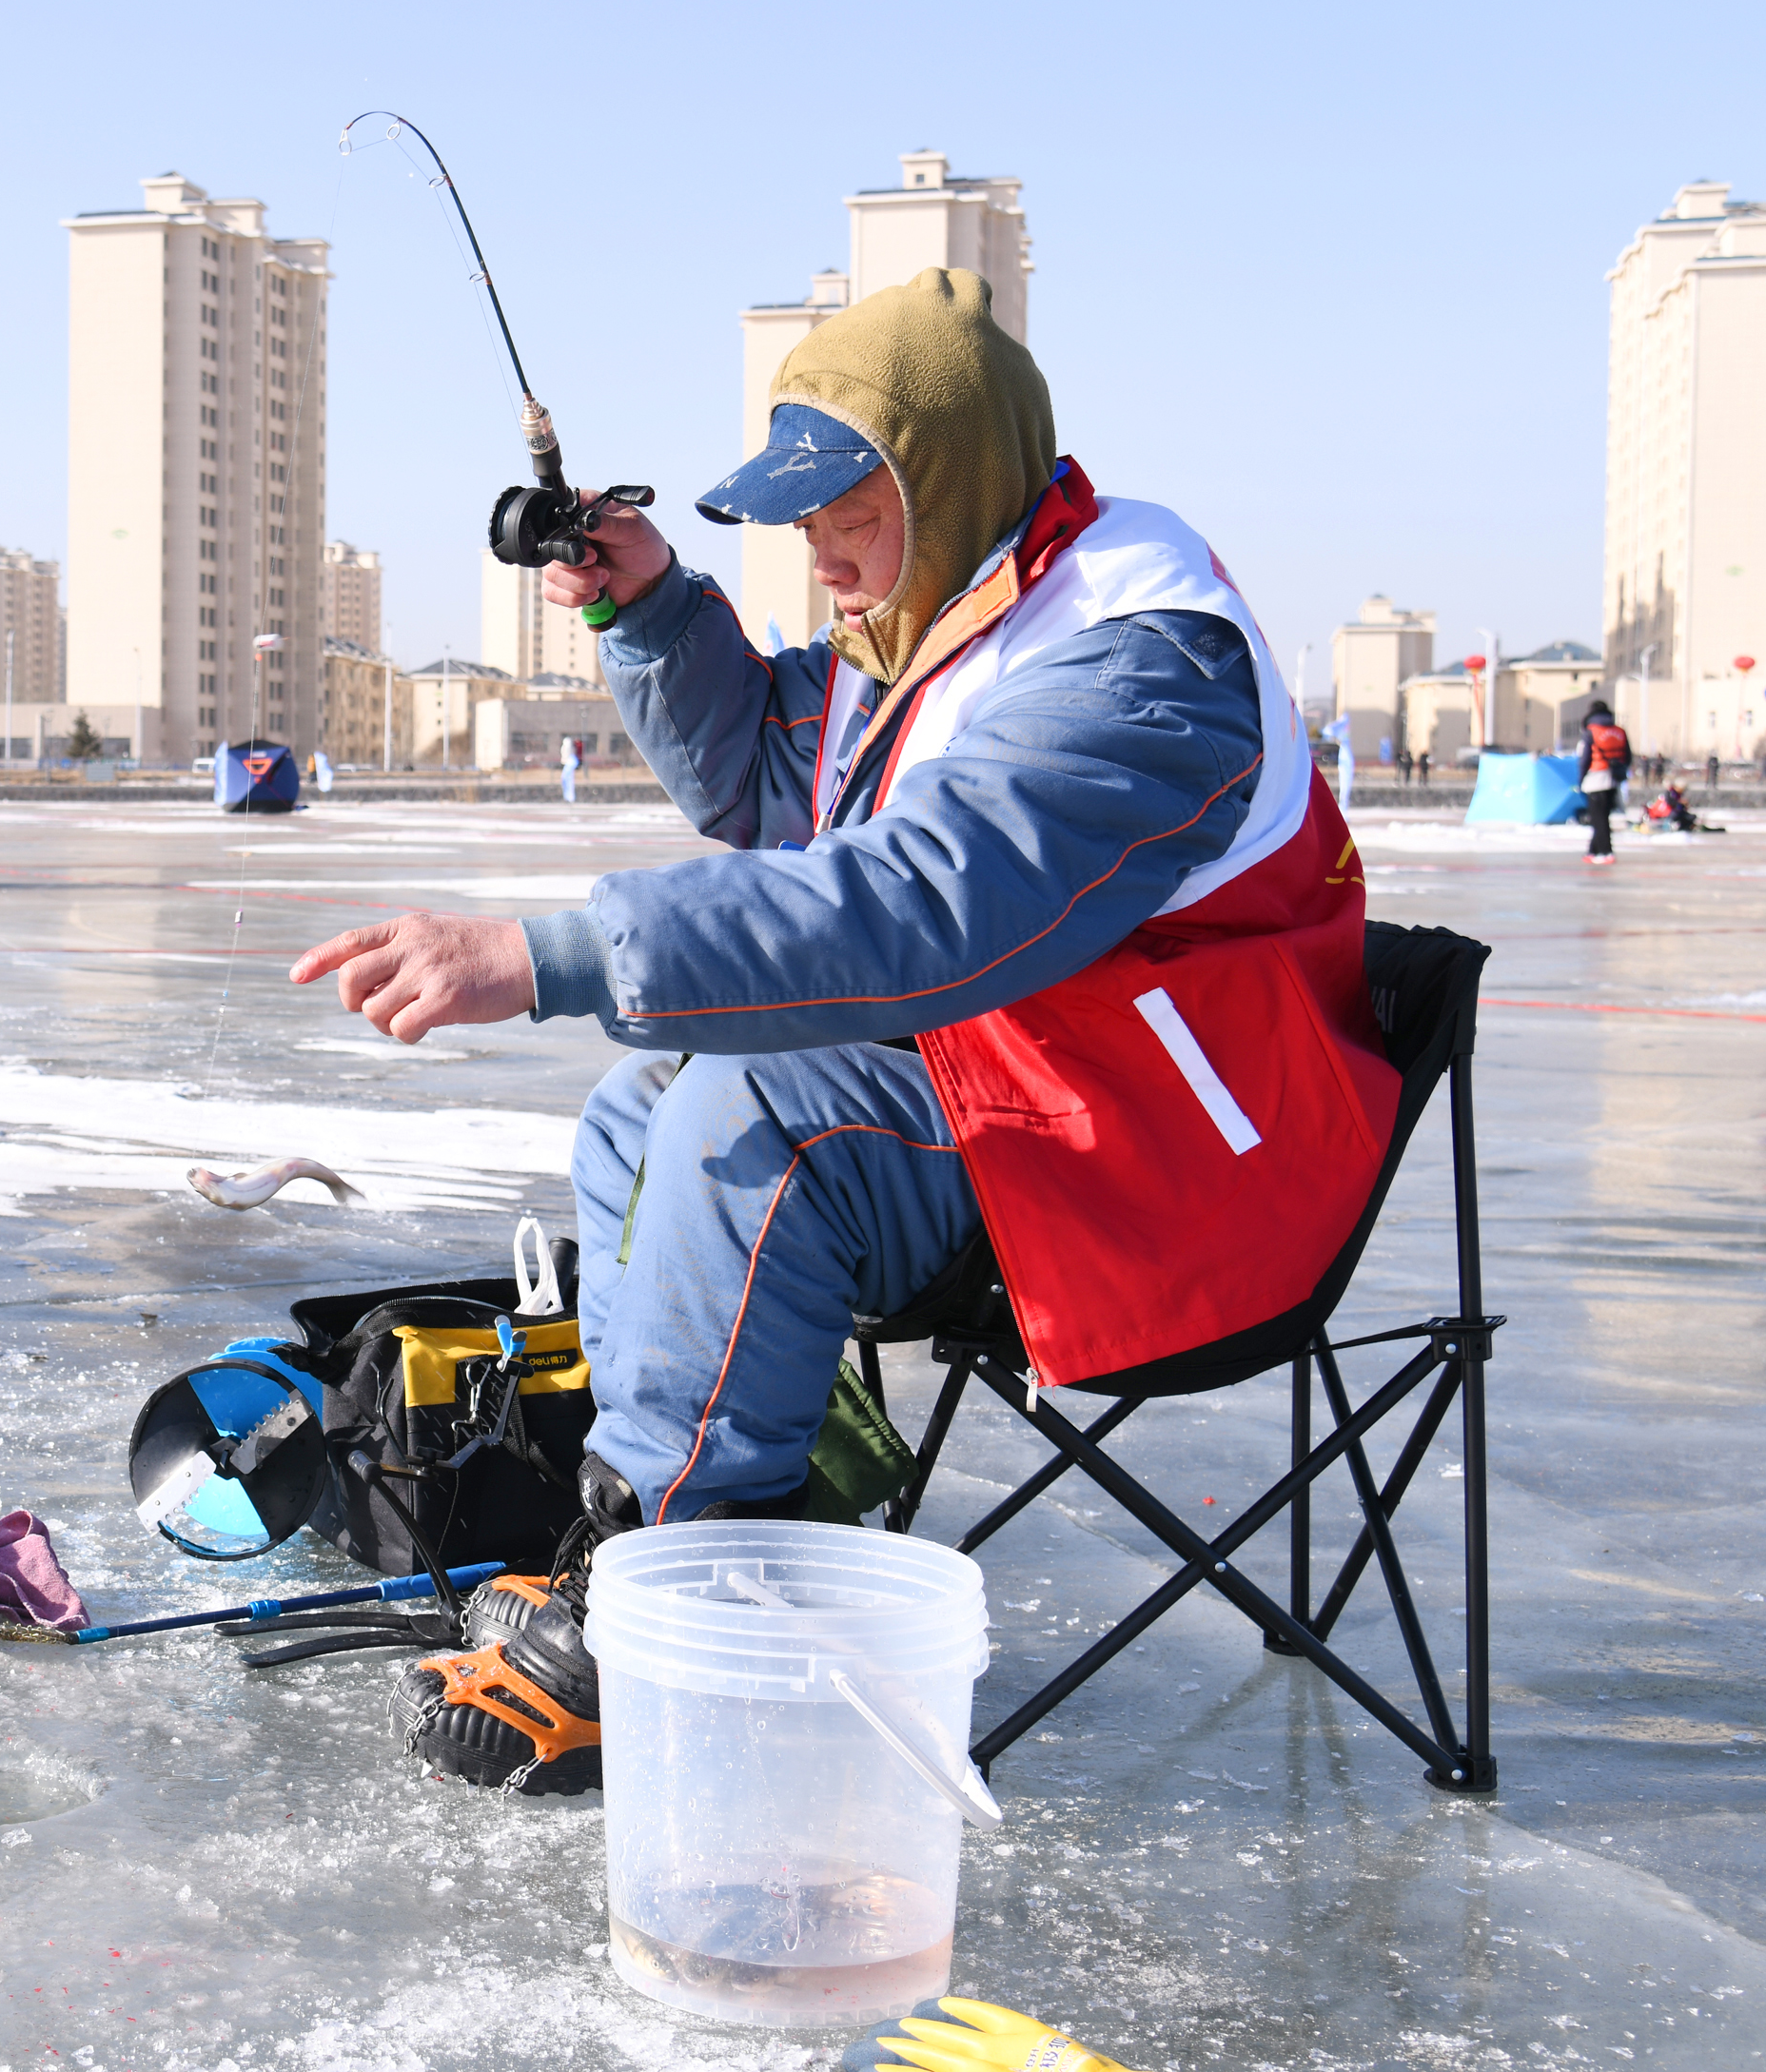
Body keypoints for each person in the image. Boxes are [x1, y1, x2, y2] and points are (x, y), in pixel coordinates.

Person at [291, 269, 1393, 1793]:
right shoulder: (945, 616)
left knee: (753, 1121)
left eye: (847, 518)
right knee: (643, 1105)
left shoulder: (1138, 661)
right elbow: (769, 775)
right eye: (801, 527)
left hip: (1155, 1156)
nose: (819, 560)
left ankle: (660, 1596)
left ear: (949, 484)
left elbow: (924, 902)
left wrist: (546, 955)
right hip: (1019, 1085)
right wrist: (646, 602)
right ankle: (688, 1531)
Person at [1577, 700, 1632, 864]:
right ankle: (1593, 851)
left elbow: (1584, 760)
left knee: (1598, 819)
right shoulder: (1619, 731)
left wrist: (1580, 779)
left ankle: (1606, 852)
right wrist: (1619, 770)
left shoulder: (1591, 732)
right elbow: (1628, 757)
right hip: (1614, 779)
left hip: (1595, 779)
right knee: (1603, 817)